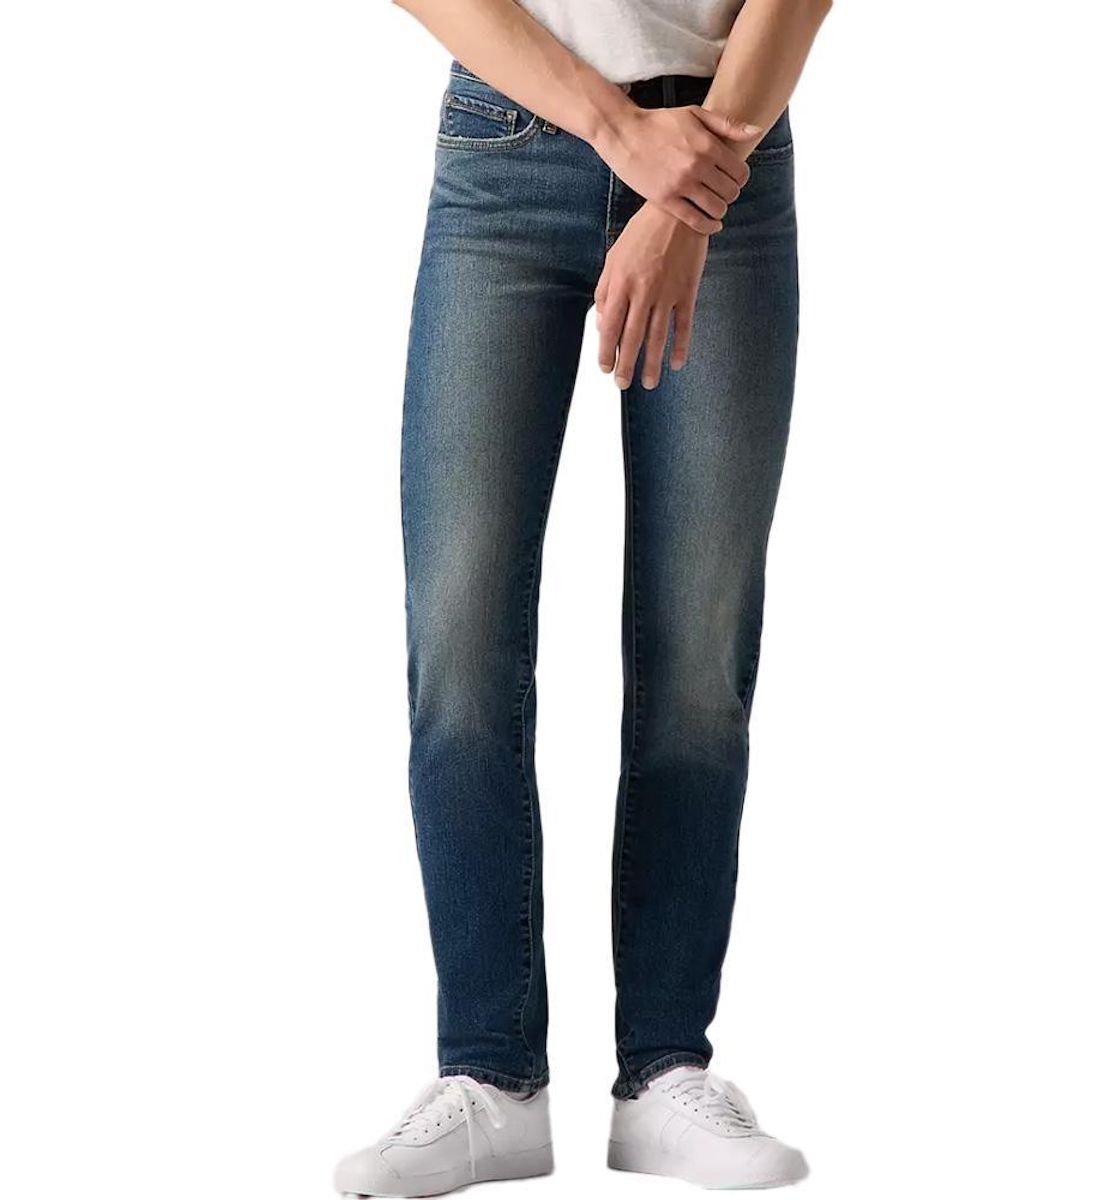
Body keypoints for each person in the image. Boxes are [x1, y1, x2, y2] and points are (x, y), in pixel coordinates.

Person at [335, 0, 833, 1193]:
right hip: (506, 151)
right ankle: (490, 1076)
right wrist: (617, 130)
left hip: (724, 147)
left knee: (698, 647)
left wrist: (687, 193)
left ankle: (665, 1073)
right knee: (459, 632)